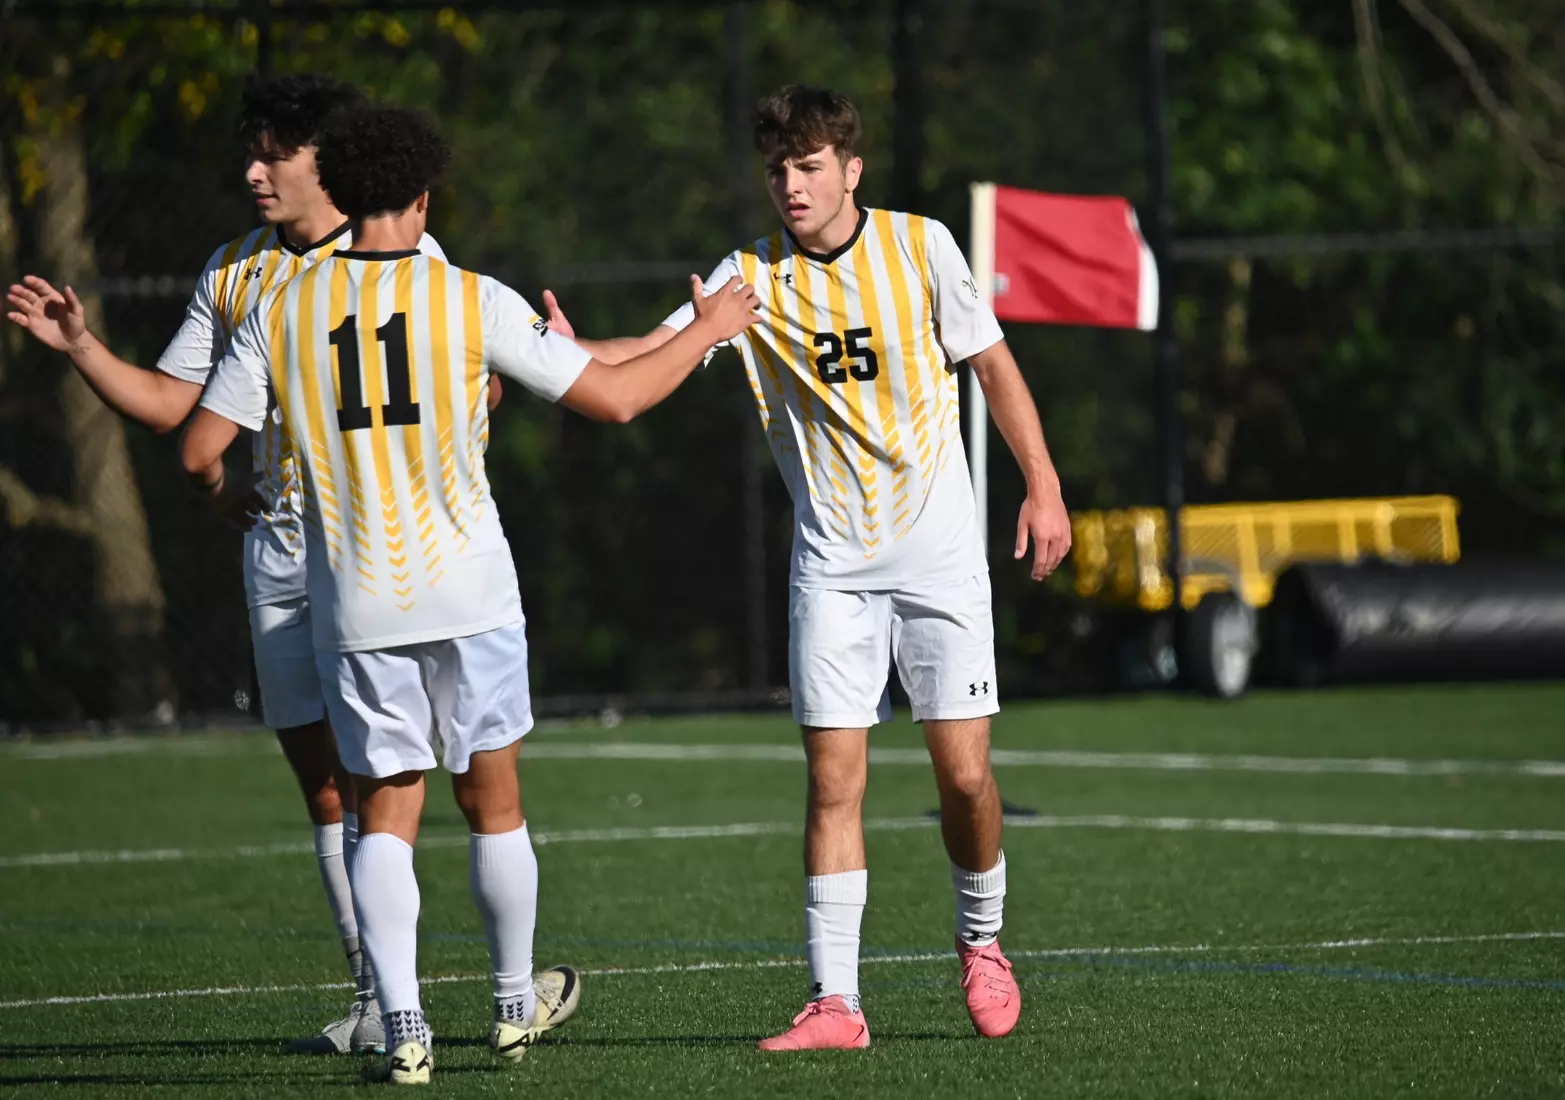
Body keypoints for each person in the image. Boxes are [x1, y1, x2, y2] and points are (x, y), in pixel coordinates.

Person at [180, 103, 759, 1085]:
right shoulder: (469, 298)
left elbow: (199, 444)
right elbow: (612, 395)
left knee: (383, 813)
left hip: (357, 603)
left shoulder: (279, 307)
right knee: (494, 805)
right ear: (422, 194)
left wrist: (235, 493)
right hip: (471, 592)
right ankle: (507, 1003)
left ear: (345, 193)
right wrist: (706, 326)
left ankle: (402, 1026)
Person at [543, 85, 1072, 1050]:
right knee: (833, 784)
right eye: (778, 169)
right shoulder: (748, 279)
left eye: (810, 165)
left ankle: (983, 940)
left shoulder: (921, 246)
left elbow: (993, 366)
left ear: (850, 170)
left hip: (941, 560)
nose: (791, 184)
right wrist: (556, 350)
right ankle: (837, 1003)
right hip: (832, 568)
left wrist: (1042, 484)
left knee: (963, 778)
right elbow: (653, 350)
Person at [0, 73, 489, 1055]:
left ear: (325, 159)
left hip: (388, 556)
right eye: (251, 150)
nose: (253, 170)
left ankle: (483, 989)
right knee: (322, 787)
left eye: (274, 151)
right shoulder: (234, 273)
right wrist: (81, 346)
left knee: (410, 777)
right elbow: (177, 411)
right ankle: (376, 994)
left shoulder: (406, 253)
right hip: (281, 555)